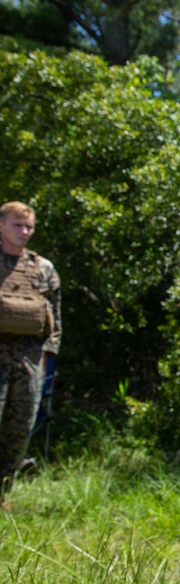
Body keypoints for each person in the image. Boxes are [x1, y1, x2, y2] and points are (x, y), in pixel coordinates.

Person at [0, 201, 61, 511]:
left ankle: (2, 493)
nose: (24, 232)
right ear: (1, 226)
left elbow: (55, 319)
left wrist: (49, 358)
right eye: (16, 225)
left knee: (19, 428)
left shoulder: (43, 268)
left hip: (30, 360)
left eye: (28, 227)